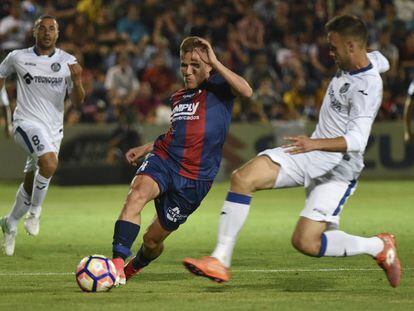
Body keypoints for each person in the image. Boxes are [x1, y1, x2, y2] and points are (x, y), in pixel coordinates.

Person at [183, 15, 402, 288]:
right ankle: (220, 259)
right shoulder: (363, 60)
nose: (329, 53)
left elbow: (357, 140)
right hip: (312, 152)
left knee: (305, 242)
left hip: (339, 166)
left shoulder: (366, 88)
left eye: (333, 48)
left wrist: (314, 143)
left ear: (350, 46)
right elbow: (383, 59)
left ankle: (378, 246)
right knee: (242, 179)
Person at [110, 36, 252, 285]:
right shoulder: (178, 97)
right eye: (184, 65)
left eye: (195, 65)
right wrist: (146, 148)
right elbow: (176, 134)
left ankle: (132, 268)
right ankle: (116, 265)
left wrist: (216, 63)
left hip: (194, 180)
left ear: (208, 66)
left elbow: (247, 91)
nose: (187, 71)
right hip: (165, 160)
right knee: (136, 194)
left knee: (152, 240)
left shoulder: (220, 87)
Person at [0, 15, 85, 256]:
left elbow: (78, 103)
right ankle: (35, 212)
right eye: (42, 28)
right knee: (49, 163)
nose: (47, 33)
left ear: (57, 34)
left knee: (31, 182)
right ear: (34, 32)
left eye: (52, 29)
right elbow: (1, 74)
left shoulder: (68, 62)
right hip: (25, 124)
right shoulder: (18, 57)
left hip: (53, 131)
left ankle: (10, 222)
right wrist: (4, 108)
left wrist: (77, 80)